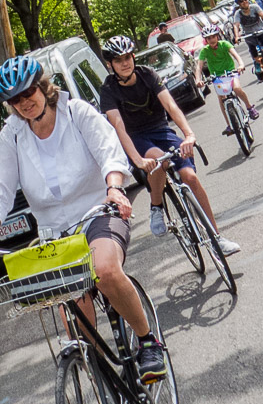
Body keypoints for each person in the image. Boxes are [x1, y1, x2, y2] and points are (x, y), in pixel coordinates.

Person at [0, 55, 168, 383]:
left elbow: (108, 152)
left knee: (103, 270)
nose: (25, 103)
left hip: (98, 211)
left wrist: (115, 189)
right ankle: (107, 383)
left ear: (42, 88)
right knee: (74, 309)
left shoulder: (77, 113)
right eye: (16, 100)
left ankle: (149, 342)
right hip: (54, 234)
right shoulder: (13, 136)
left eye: (28, 92)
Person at [99, 35, 241, 256]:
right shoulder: (108, 89)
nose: (125, 63)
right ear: (111, 65)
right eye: (118, 60)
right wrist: (137, 159)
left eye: (127, 57)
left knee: (191, 177)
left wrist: (189, 135)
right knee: (158, 161)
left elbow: (170, 106)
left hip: (161, 130)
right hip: (135, 138)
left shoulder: (147, 74)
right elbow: (118, 126)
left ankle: (217, 238)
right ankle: (156, 207)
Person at [194, 24, 259, 135]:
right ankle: (229, 125)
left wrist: (241, 64)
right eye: (208, 38)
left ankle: (249, 107)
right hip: (217, 77)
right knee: (222, 98)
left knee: (237, 89)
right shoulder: (204, 51)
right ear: (206, 40)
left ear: (217, 36)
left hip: (230, 72)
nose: (211, 40)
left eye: (213, 37)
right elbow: (199, 67)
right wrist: (198, 79)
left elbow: (235, 55)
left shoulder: (225, 44)